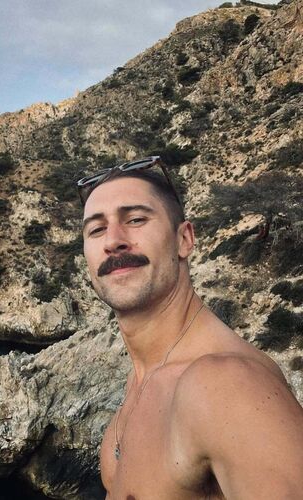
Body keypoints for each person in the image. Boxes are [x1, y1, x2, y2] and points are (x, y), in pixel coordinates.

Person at [77, 157, 303, 499]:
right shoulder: (140, 379)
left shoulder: (226, 385)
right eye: (96, 229)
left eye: (135, 219)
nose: (113, 241)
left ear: (184, 239)